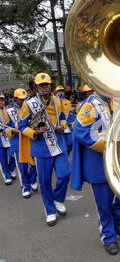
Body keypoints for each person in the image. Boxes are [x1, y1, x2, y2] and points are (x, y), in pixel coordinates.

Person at [71, 90, 120, 255]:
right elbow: (79, 131)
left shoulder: (115, 101)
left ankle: (115, 219)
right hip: (98, 164)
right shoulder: (91, 104)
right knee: (103, 205)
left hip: (119, 160)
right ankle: (108, 237)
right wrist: (106, 145)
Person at [18, 73, 71, 227]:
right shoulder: (29, 104)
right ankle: (50, 211)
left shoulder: (57, 100)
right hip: (41, 148)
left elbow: (62, 117)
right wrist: (34, 132)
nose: (45, 86)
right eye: (42, 84)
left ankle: (58, 199)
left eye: (47, 83)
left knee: (64, 174)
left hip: (58, 144)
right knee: (45, 181)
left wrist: (62, 125)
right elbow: (21, 126)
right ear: (36, 87)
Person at [5, 89, 38, 198]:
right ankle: (25, 187)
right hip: (17, 142)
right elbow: (5, 128)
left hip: (30, 140)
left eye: (24, 99)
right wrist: (12, 131)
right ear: (15, 99)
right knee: (22, 167)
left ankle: (32, 180)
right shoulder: (9, 111)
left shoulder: (30, 108)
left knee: (34, 164)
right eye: (20, 99)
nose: (23, 101)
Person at [0, 93, 16, 185]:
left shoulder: (10, 110)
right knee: (3, 159)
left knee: (13, 155)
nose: (0, 102)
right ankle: (7, 175)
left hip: (10, 137)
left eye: (2, 100)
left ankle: (11, 168)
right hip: (0, 139)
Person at [54, 86, 75, 156]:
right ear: (55, 93)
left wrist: (72, 124)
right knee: (62, 144)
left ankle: (66, 155)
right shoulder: (53, 102)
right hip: (58, 126)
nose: (61, 93)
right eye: (59, 91)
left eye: (62, 91)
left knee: (70, 143)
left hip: (67, 126)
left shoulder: (68, 102)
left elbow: (70, 114)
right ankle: (63, 157)